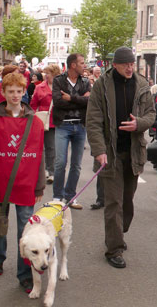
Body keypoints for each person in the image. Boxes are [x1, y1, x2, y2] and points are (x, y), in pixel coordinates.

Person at [86, 47, 156, 269]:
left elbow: (151, 114)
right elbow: (93, 120)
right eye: (125, 64)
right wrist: (99, 150)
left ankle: (118, 232)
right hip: (111, 153)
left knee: (127, 200)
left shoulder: (142, 84)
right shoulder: (101, 85)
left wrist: (139, 124)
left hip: (134, 151)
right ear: (114, 64)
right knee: (113, 202)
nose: (129, 68)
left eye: (132, 64)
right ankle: (114, 248)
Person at [0, 72, 45, 294]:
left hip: (25, 184)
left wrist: (39, 185)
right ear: (3, 93)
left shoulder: (35, 122)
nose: (15, 95)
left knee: (25, 233)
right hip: (0, 183)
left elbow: (40, 155)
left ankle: (24, 274)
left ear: (24, 91)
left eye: (19, 91)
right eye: (10, 91)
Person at [51, 53, 91, 210]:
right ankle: (57, 197)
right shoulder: (58, 81)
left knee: (76, 165)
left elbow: (89, 101)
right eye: (82, 63)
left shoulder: (85, 82)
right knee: (60, 163)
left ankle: (70, 196)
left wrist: (71, 98)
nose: (84, 65)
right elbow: (58, 102)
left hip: (80, 126)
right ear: (73, 65)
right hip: (63, 125)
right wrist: (80, 99)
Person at [31, 65, 61, 185]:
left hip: (56, 121)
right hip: (42, 120)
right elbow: (33, 105)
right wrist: (32, 118)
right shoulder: (39, 87)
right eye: (45, 73)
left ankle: (51, 171)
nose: (45, 75)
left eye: (48, 73)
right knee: (42, 148)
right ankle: (43, 171)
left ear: (54, 74)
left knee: (52, 147)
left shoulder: (61, 87)